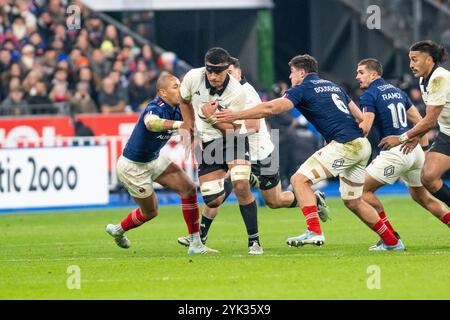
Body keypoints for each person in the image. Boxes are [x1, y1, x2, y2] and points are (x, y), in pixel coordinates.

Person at [216, 54, 405, 251]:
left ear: (301, 72)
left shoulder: (303, 88)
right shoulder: (335, 86)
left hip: (345, 145)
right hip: (361, 144)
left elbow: (272, 108)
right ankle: (392, 241)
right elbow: (361, 119)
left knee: (299, 180)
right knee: (353, 201)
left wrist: (235, 115)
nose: (290, 77)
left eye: (292, 73)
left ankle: (314, 231)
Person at [177, 57, 329, 248]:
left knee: (274, 200)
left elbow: (254, 126)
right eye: (225, 73)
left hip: (260, 152)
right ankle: (200, 237)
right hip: (235, 147)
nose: (226, 77)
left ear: (239, 73)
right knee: (220, 188)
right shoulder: (217, 92)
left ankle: (313, 199)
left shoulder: (246, 93)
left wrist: (214, 122)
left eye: (230, 72)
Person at [105, 72, 217, 254]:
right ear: (163, 93)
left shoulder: (181, 106)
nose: (180, 89)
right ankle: (119, 230)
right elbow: (151, 123)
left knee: (188, 188)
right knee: (150, 212)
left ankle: (195, 244)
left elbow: (196, 120)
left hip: (154, 159)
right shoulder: (155, 107)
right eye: (175, 87)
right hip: (132, 167)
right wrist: (178, 126)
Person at [356, 58, 450, 249]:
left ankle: (391, 238)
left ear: (373, 74)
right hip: (413, 150)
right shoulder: (397, 91)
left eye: (361, 72)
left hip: (395, 152)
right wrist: (422, 151)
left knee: (360, 191)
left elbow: (365, 128)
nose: (357, 77)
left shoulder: (369, 95)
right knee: (422, 197)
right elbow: (418, 120)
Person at [179, 47, 263, 254]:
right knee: (212, 199)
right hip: (209, 143)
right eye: (210, 71)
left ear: (227, 69)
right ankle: (232, 178)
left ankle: (254, 241)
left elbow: (233, 129)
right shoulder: (192, 77)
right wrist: (189, 126)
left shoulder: (237, 92)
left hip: (233, 139)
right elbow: (183, 99)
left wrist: (209, 119)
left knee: (241, 185)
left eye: (218, 71)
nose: (214, 76)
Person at [379, 40, 450, 229]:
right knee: (428, 177)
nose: (411, 64)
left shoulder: (440, 78)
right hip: (447, 133)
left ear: (429, 60)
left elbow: (430, 120)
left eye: (415, 59)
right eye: (410, 60)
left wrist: (402, 138)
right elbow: (430, 118)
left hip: (444, 130)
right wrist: (416, 136)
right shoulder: (423, 80)